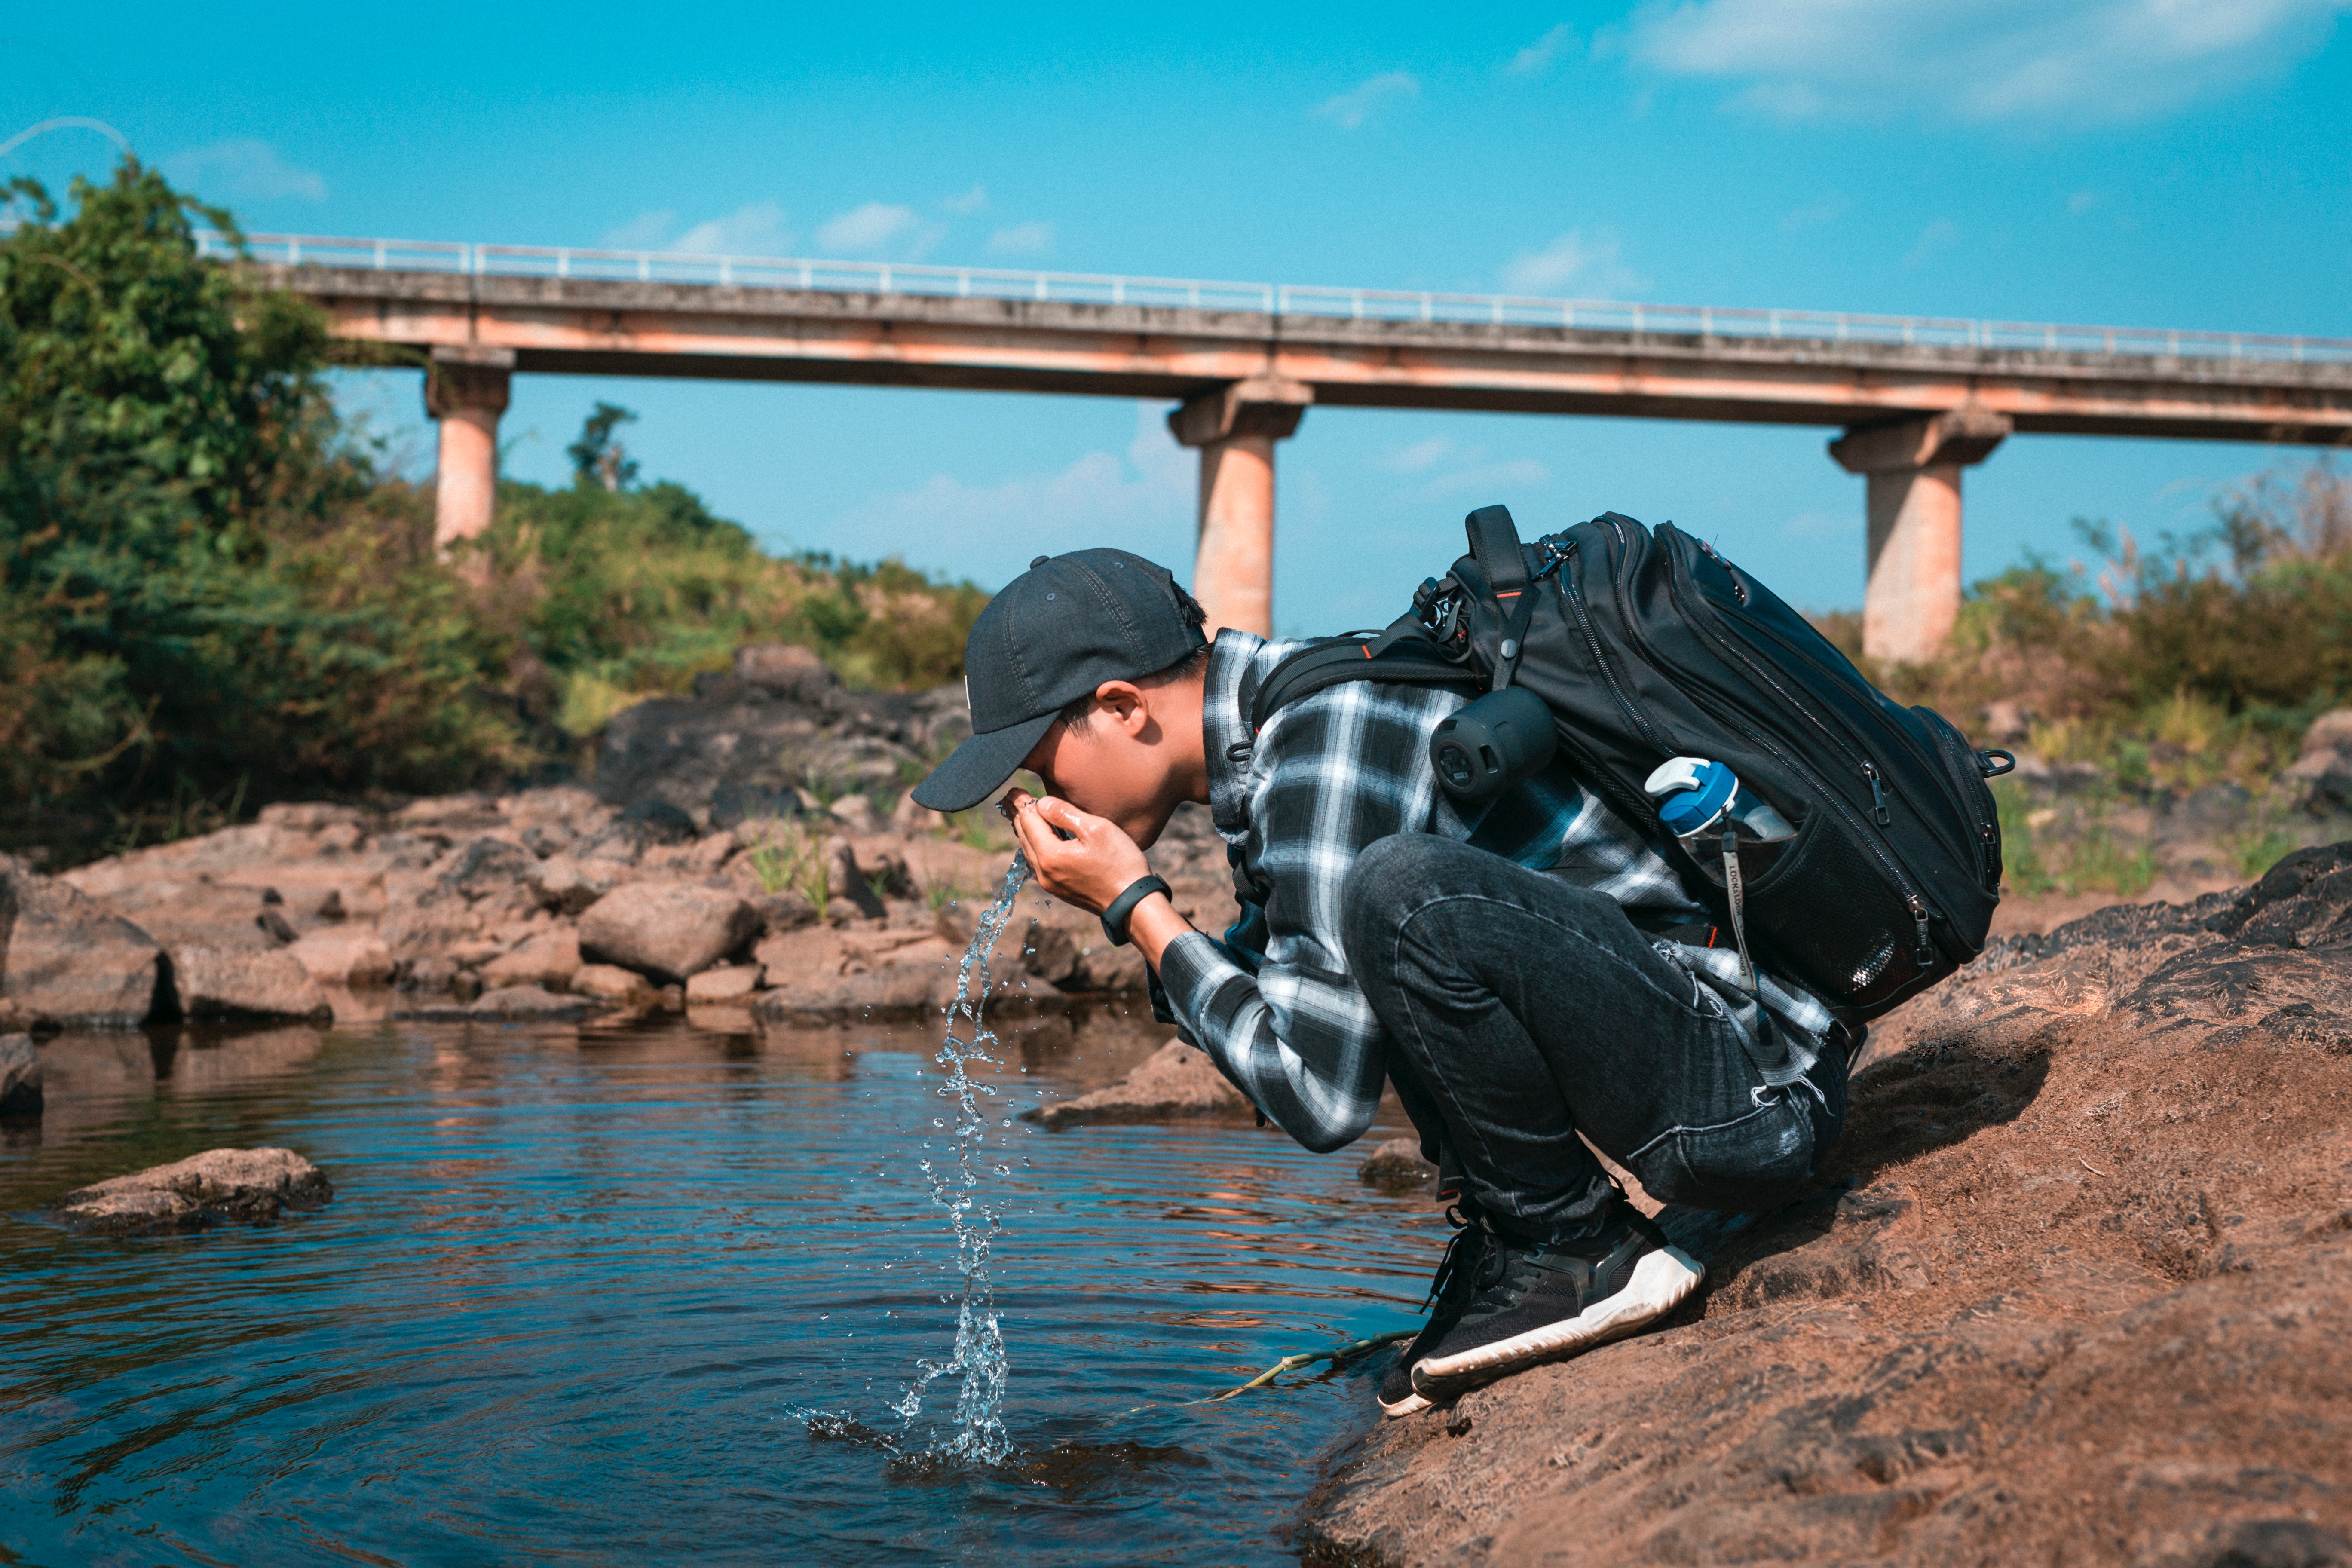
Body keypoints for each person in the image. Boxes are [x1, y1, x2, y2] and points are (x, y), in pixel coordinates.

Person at [910, 548, 1852, 1416]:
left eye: (1042, 765)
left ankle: (1575, 1246)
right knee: (1374, 914)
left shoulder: (1323, 736)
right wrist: (1151, 925)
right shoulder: (1281, 733)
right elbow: (1304, 1008)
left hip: (1750, 1103)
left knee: (1397, 890)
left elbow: (1318, 1096)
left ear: (1122, 706)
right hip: (1711, 1074)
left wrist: (1138, 909)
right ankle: (1514, 1238)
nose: (1040, 803)